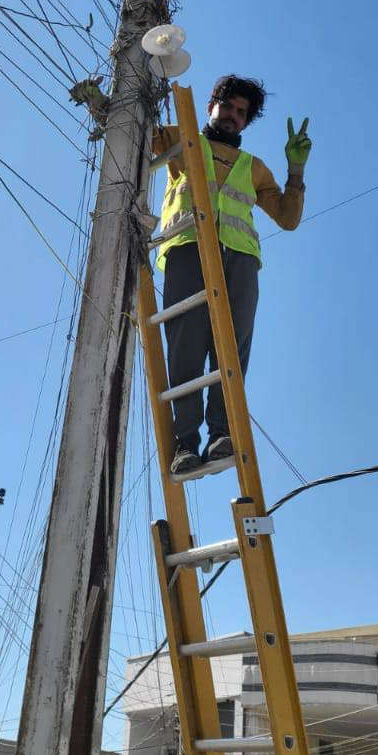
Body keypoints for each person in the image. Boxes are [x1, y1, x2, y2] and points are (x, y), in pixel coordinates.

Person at [152, 74, 311, 477]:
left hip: (239, 259)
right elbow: (134, 135)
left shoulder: (254, 168)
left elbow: (288, 219)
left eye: (242, 113)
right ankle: (185, 444)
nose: (233, 117)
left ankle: (221, 434)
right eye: (228, 107)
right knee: (186, 348)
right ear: (211, 106)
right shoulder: (181, 137)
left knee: (231, 351)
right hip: (187, 249)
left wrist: (295, 170)